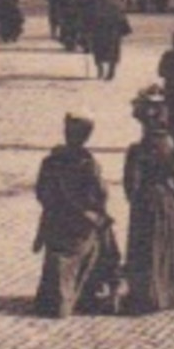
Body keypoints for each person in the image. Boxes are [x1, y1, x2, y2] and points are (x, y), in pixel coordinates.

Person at [33, 114, 116, 318]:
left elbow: (41, 191)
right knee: (104, 239)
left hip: (54, 222)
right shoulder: (88, 164)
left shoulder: (51, 161)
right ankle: (90, 293)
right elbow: (100, 195)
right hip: (80, 227)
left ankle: (52, 299)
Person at [122, 87, 174, 314]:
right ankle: (172, 293)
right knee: (169, 246)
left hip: (146, 201)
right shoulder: (172, 148)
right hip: (168, 202)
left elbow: (130, 184)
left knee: (145, 247)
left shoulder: (137, 150)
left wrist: (136, 200)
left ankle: (146, 293)